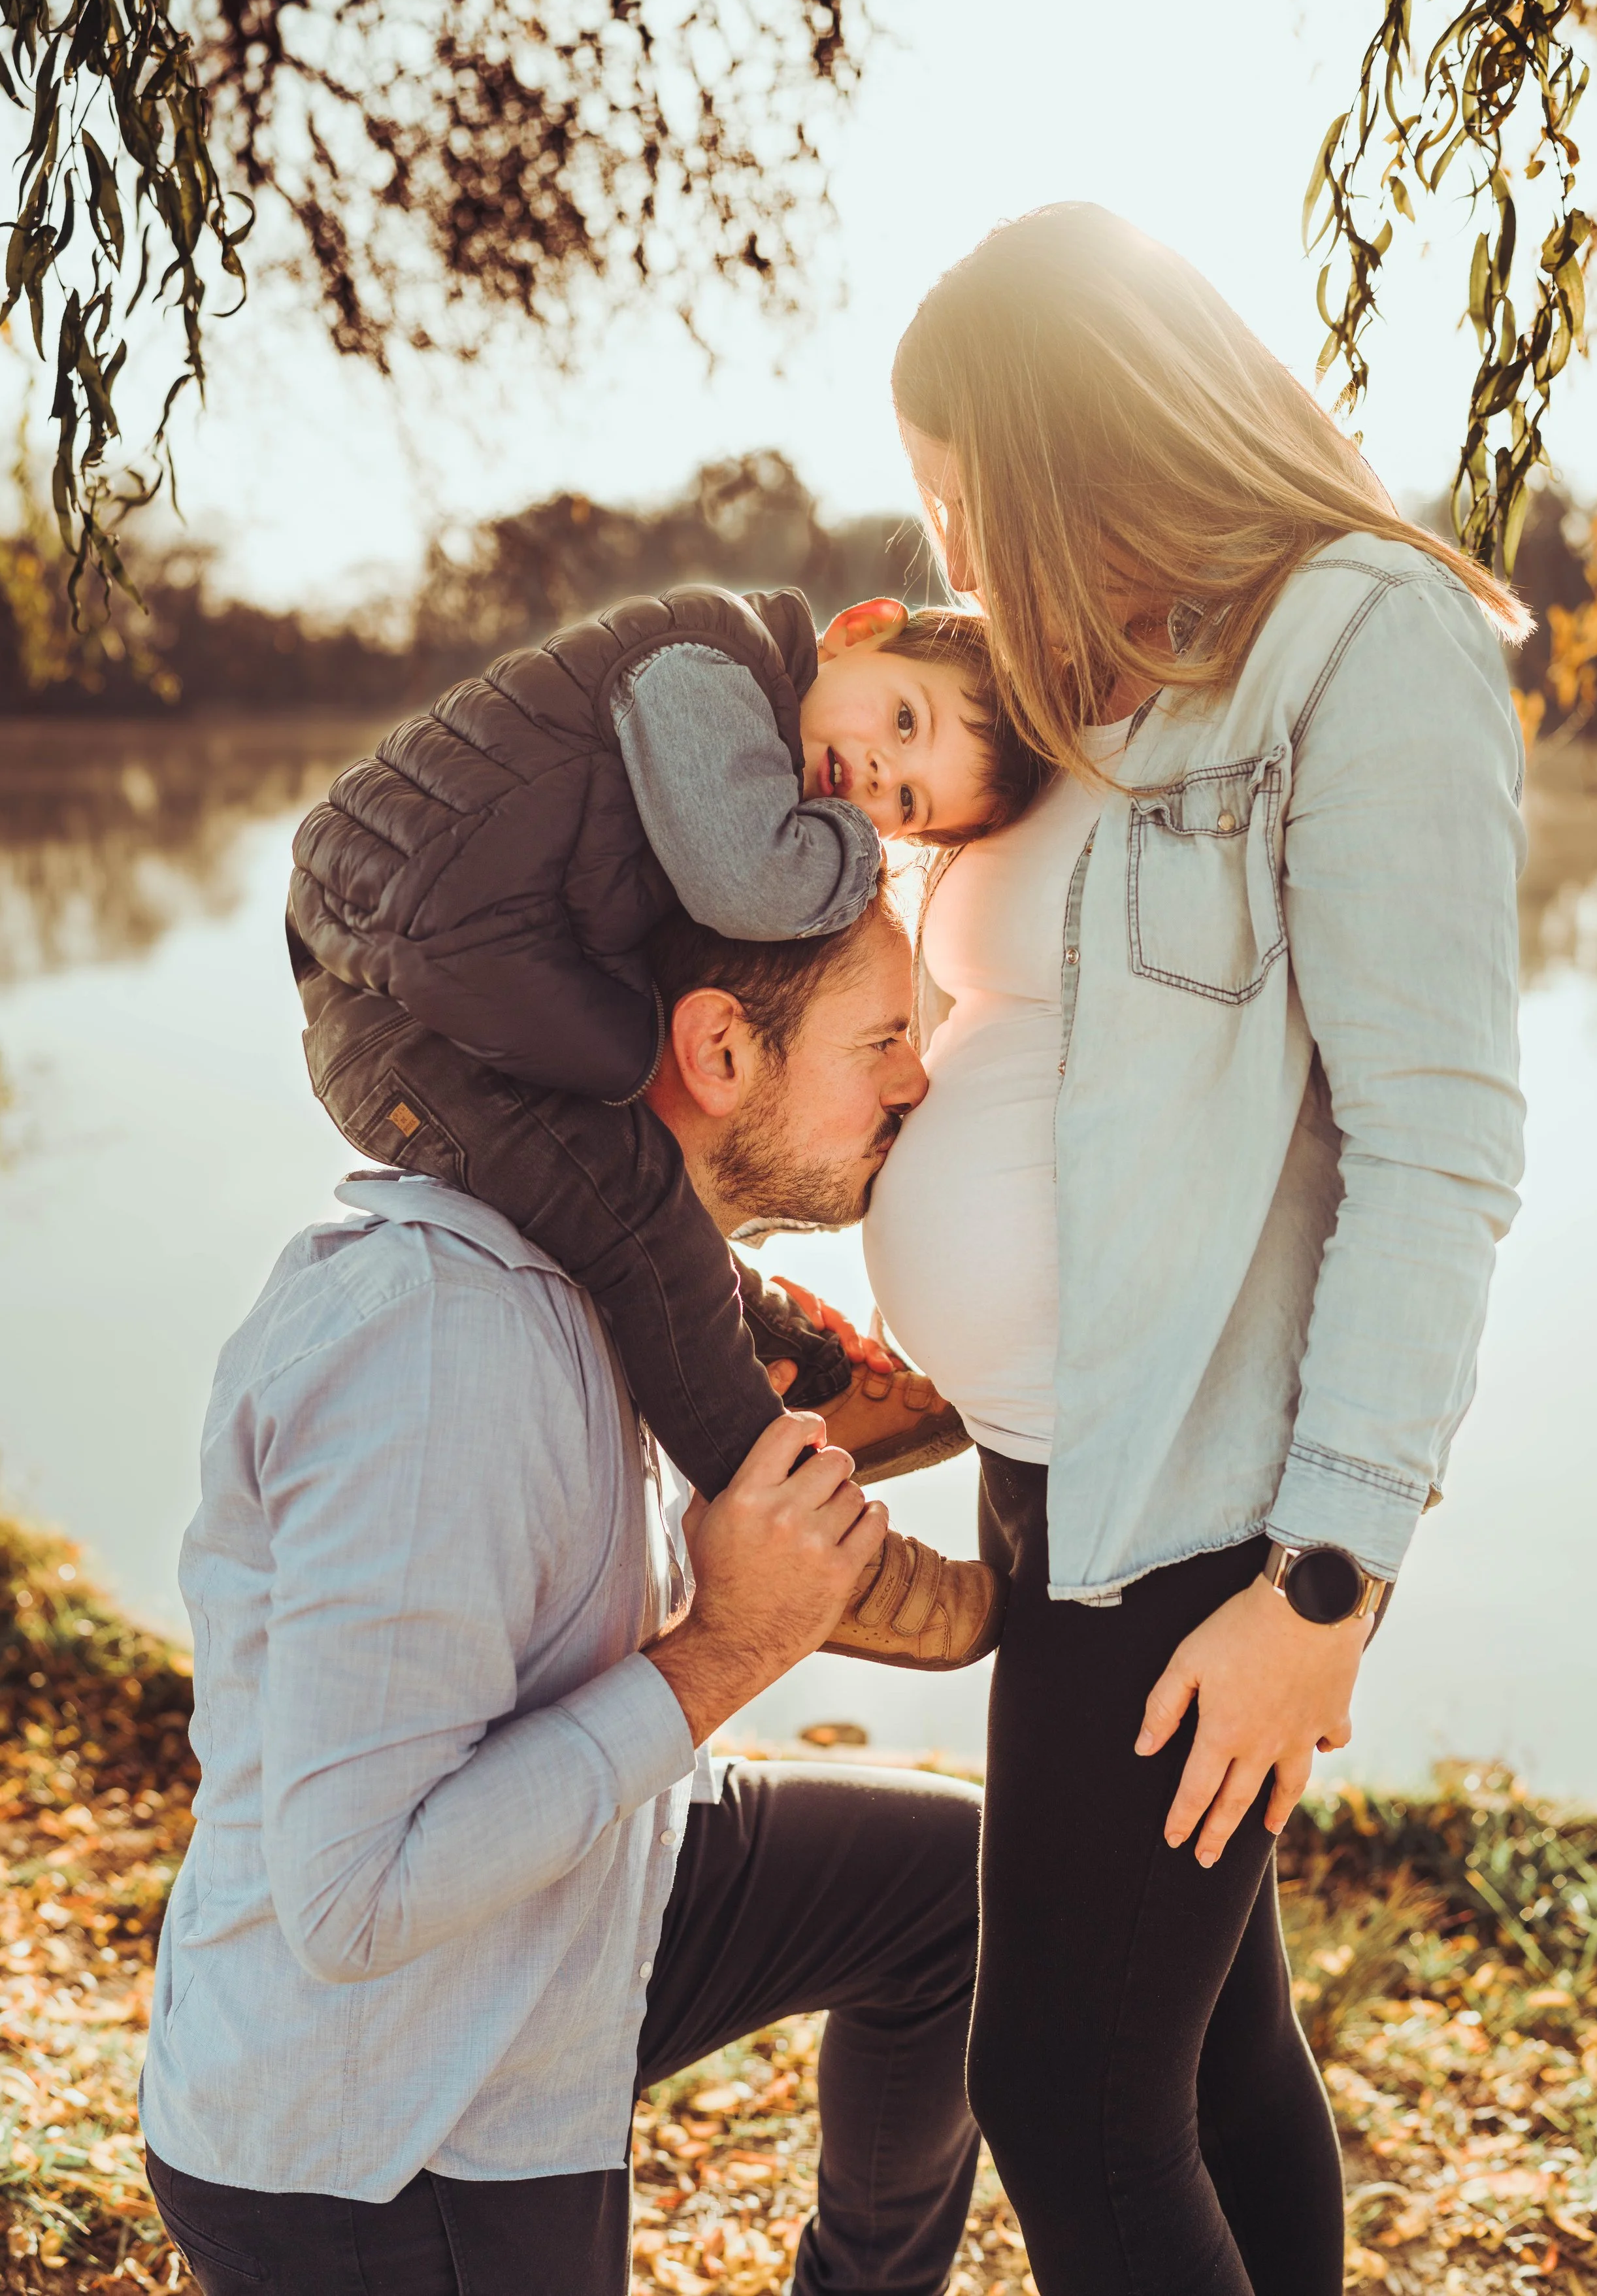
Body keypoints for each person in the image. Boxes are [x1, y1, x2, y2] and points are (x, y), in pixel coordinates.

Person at [859, 202, 1528, 2296]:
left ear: (1078, 444)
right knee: (1205, 2060)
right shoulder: (1076, 694)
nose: (957, 558)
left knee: (1059, 2083)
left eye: (965, 497)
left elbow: (1434, 1146)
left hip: (1206, 1529)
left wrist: (1321, 1579)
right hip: (1059, 1474)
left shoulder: (1357, 637)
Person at [140, 889, 985, 2296]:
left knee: (954, 1895)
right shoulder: (442, 1349)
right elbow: (356, 1902)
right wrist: (725, 1651)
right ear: (719, 1051)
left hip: (593, 1898)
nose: (918, 1083)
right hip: (391, 2140)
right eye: (885, 1039)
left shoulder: (629, 1275)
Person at [287, 593, 1040, 1668]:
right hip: (408, 1027)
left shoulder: (709, 762)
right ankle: (809, 1546)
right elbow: (745, 878)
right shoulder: (703, 666)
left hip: (419, 974)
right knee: (632, 1197)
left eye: (907, 805)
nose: (878, 782)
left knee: (634, 1209)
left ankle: (797, 1363)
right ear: (862, 626)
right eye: (907, 723)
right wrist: (858, 866)